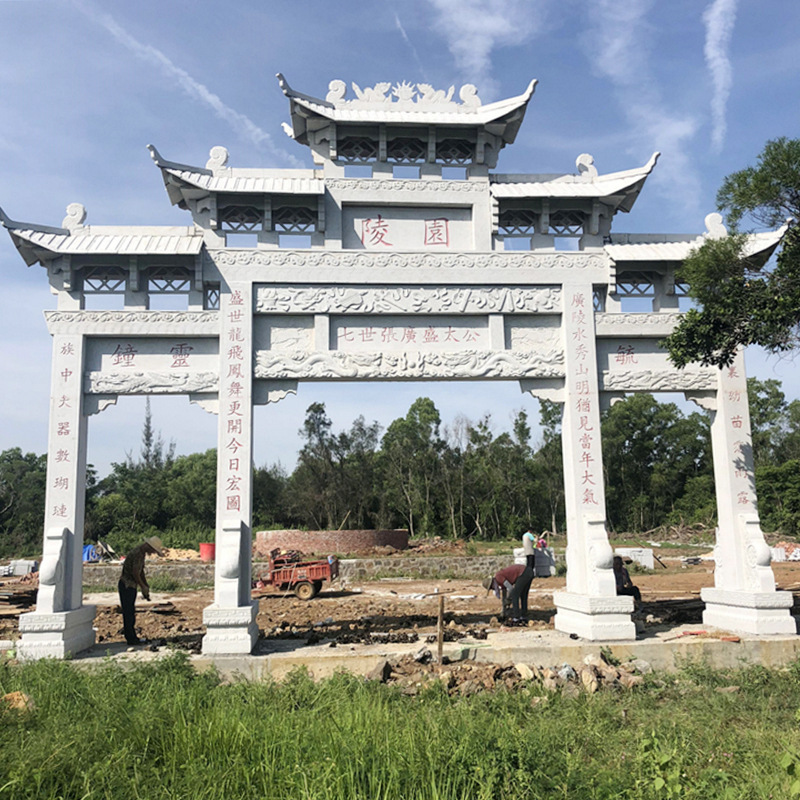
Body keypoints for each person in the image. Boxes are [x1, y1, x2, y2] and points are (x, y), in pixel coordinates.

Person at [118, 536, 165, 645]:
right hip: (127, 585)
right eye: (153, 550)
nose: (152, 552)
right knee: (128, 612)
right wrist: (142, 586)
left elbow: (140, 571)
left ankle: (131, 636)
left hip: (130, 585)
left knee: (130, 611)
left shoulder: (141, 553)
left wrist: (145, 584)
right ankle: (130, 638)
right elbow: (135, 573)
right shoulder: (138, 554)